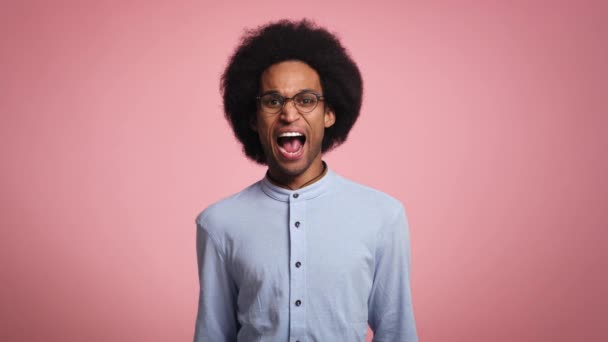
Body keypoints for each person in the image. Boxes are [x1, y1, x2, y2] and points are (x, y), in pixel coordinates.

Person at [194, 19, 418, 342]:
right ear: (254, 118)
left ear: (329, 113)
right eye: (273, 101)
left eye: (306, 99)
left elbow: (398, 333)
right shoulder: (218, 225)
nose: (288, 114)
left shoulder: (383, 217)